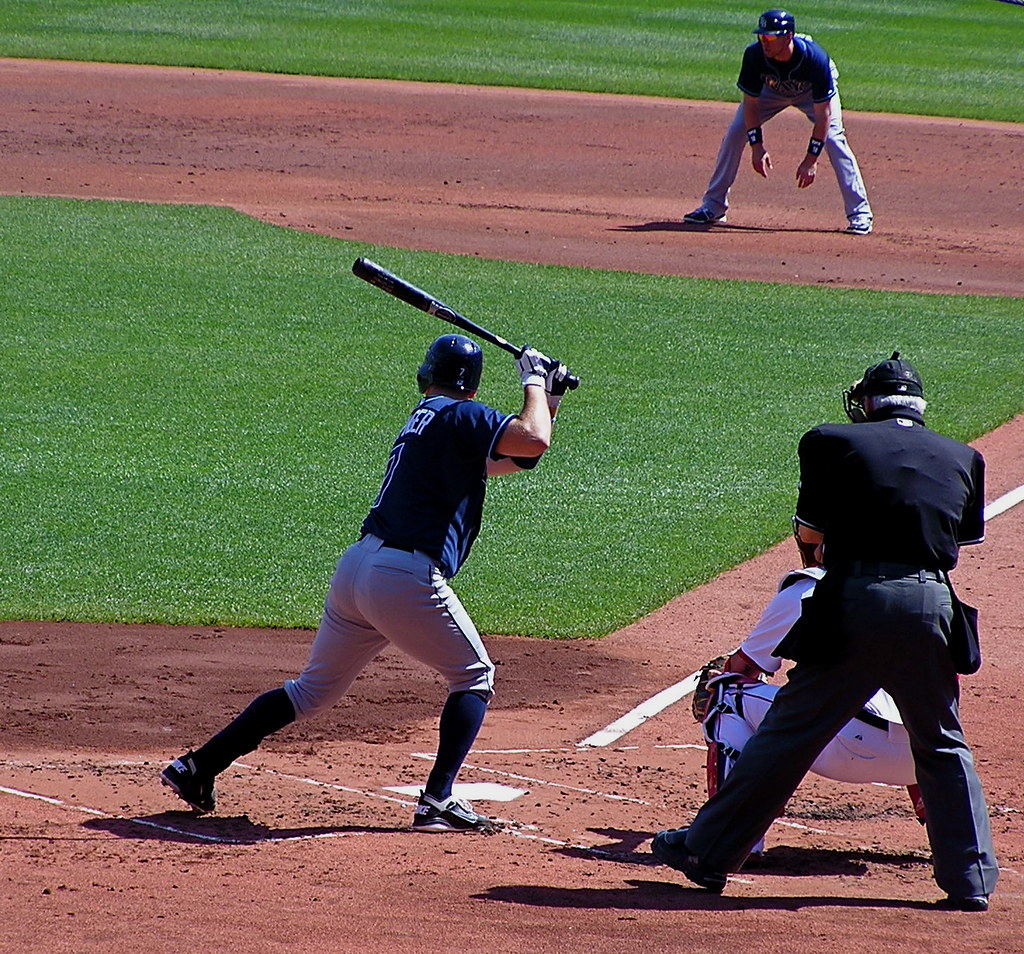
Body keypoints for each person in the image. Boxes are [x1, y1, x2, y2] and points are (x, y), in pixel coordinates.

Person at [161, 333, 574, 833]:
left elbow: (516, 457)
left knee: (310, 691)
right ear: (471, 383)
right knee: (473, 676)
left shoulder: (429, 420)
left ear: (429, 373)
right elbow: (533, 439)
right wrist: (531, 378)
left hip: (358, 569)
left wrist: (549, 398)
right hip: (403, 576)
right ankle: (437, 801)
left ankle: (199, 767)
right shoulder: (461, 415)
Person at [653, 352, 998, 912]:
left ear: (869, 402)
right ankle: (972, 880)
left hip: (857, 600)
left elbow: (811, 532)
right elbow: (958, 541)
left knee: (792, 731)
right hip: (933, 603)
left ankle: (707, 854)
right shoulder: (965, 457)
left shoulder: (831, 440)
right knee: (941, 741)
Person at [693, 536, 924, 859]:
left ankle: (731, 842)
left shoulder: (810, 588)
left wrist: (725, 670)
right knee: (917, 705)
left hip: (848, 746)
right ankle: (942, 829)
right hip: (924, 761)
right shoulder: (924, 589)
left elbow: (744, 668)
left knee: (723, 695)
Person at [683, 9, 873, 235]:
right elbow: (751, 105)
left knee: (833, 138)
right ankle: (713, 206)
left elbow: (823, 115)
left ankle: (860, 213)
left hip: (810, 93)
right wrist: (757, 146)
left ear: (788, 36)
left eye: (771, 37)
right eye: (762, 36)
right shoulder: (754, 56)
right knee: (736, 131)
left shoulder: (815, 59)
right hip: (771, 92)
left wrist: (811, 159)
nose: (765, 41)